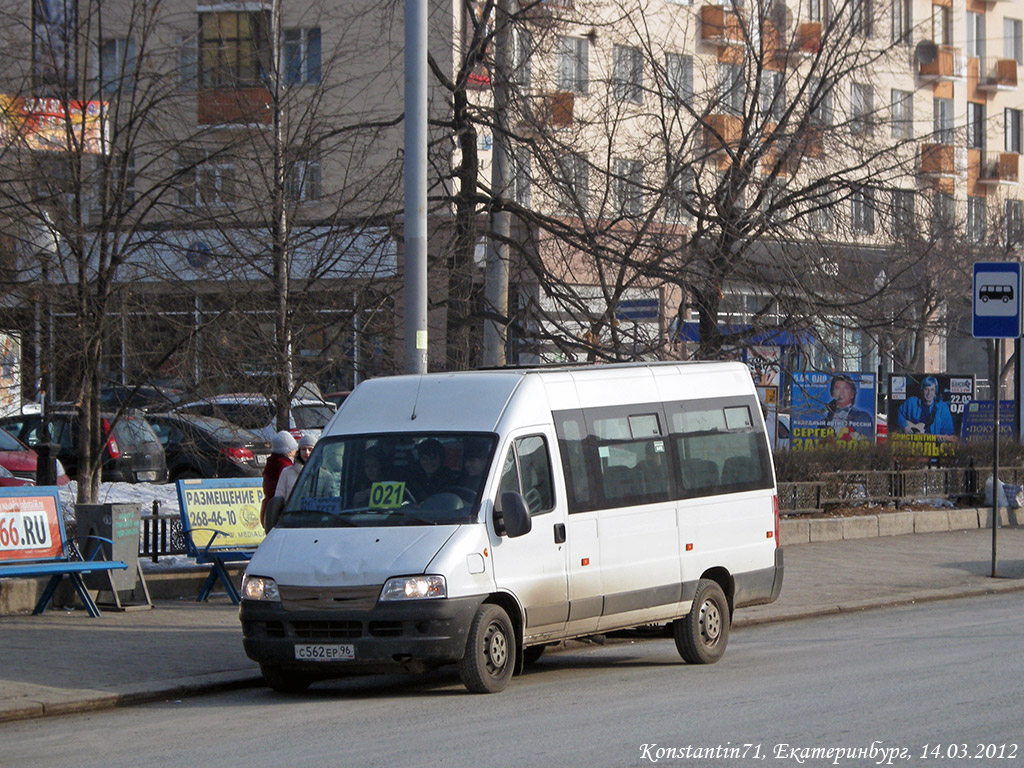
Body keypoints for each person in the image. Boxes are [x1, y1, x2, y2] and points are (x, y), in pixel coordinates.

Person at [260, 430, 297, 530]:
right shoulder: (286, 467)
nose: (295, 452)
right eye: (294, 449)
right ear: (288, 451)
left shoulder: (270, 463)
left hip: (268, 508)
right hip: (278, 510)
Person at [823, 374, 873, 439]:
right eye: (837, 388)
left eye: (845, 388)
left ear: (852, 394)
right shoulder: (825, 420)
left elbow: (866, 440)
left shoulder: (863, 417)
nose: (841, 392)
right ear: (832, 394)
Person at [276, 432, 317, 499]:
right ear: (299, 451)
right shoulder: (287, 472)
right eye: (303, 449)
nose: (307, 452)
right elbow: (279, 497)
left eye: (310, 449)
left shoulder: (323, 475)